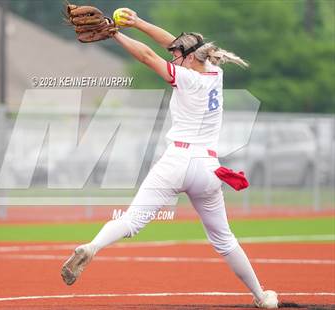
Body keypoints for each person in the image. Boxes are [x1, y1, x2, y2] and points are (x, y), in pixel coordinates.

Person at [61, 8, 278, 309]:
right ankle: (261, 296)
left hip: (176, 161)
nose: (173, 56)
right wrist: (138, 22)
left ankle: (92, 246)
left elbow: (149, 57)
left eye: (178, 54)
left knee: (132, 220)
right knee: (224, 241)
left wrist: (117, 34)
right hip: (208, 169)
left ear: (190, 58)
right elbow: (171, 44)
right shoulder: (215, 73)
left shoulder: (187, 78)